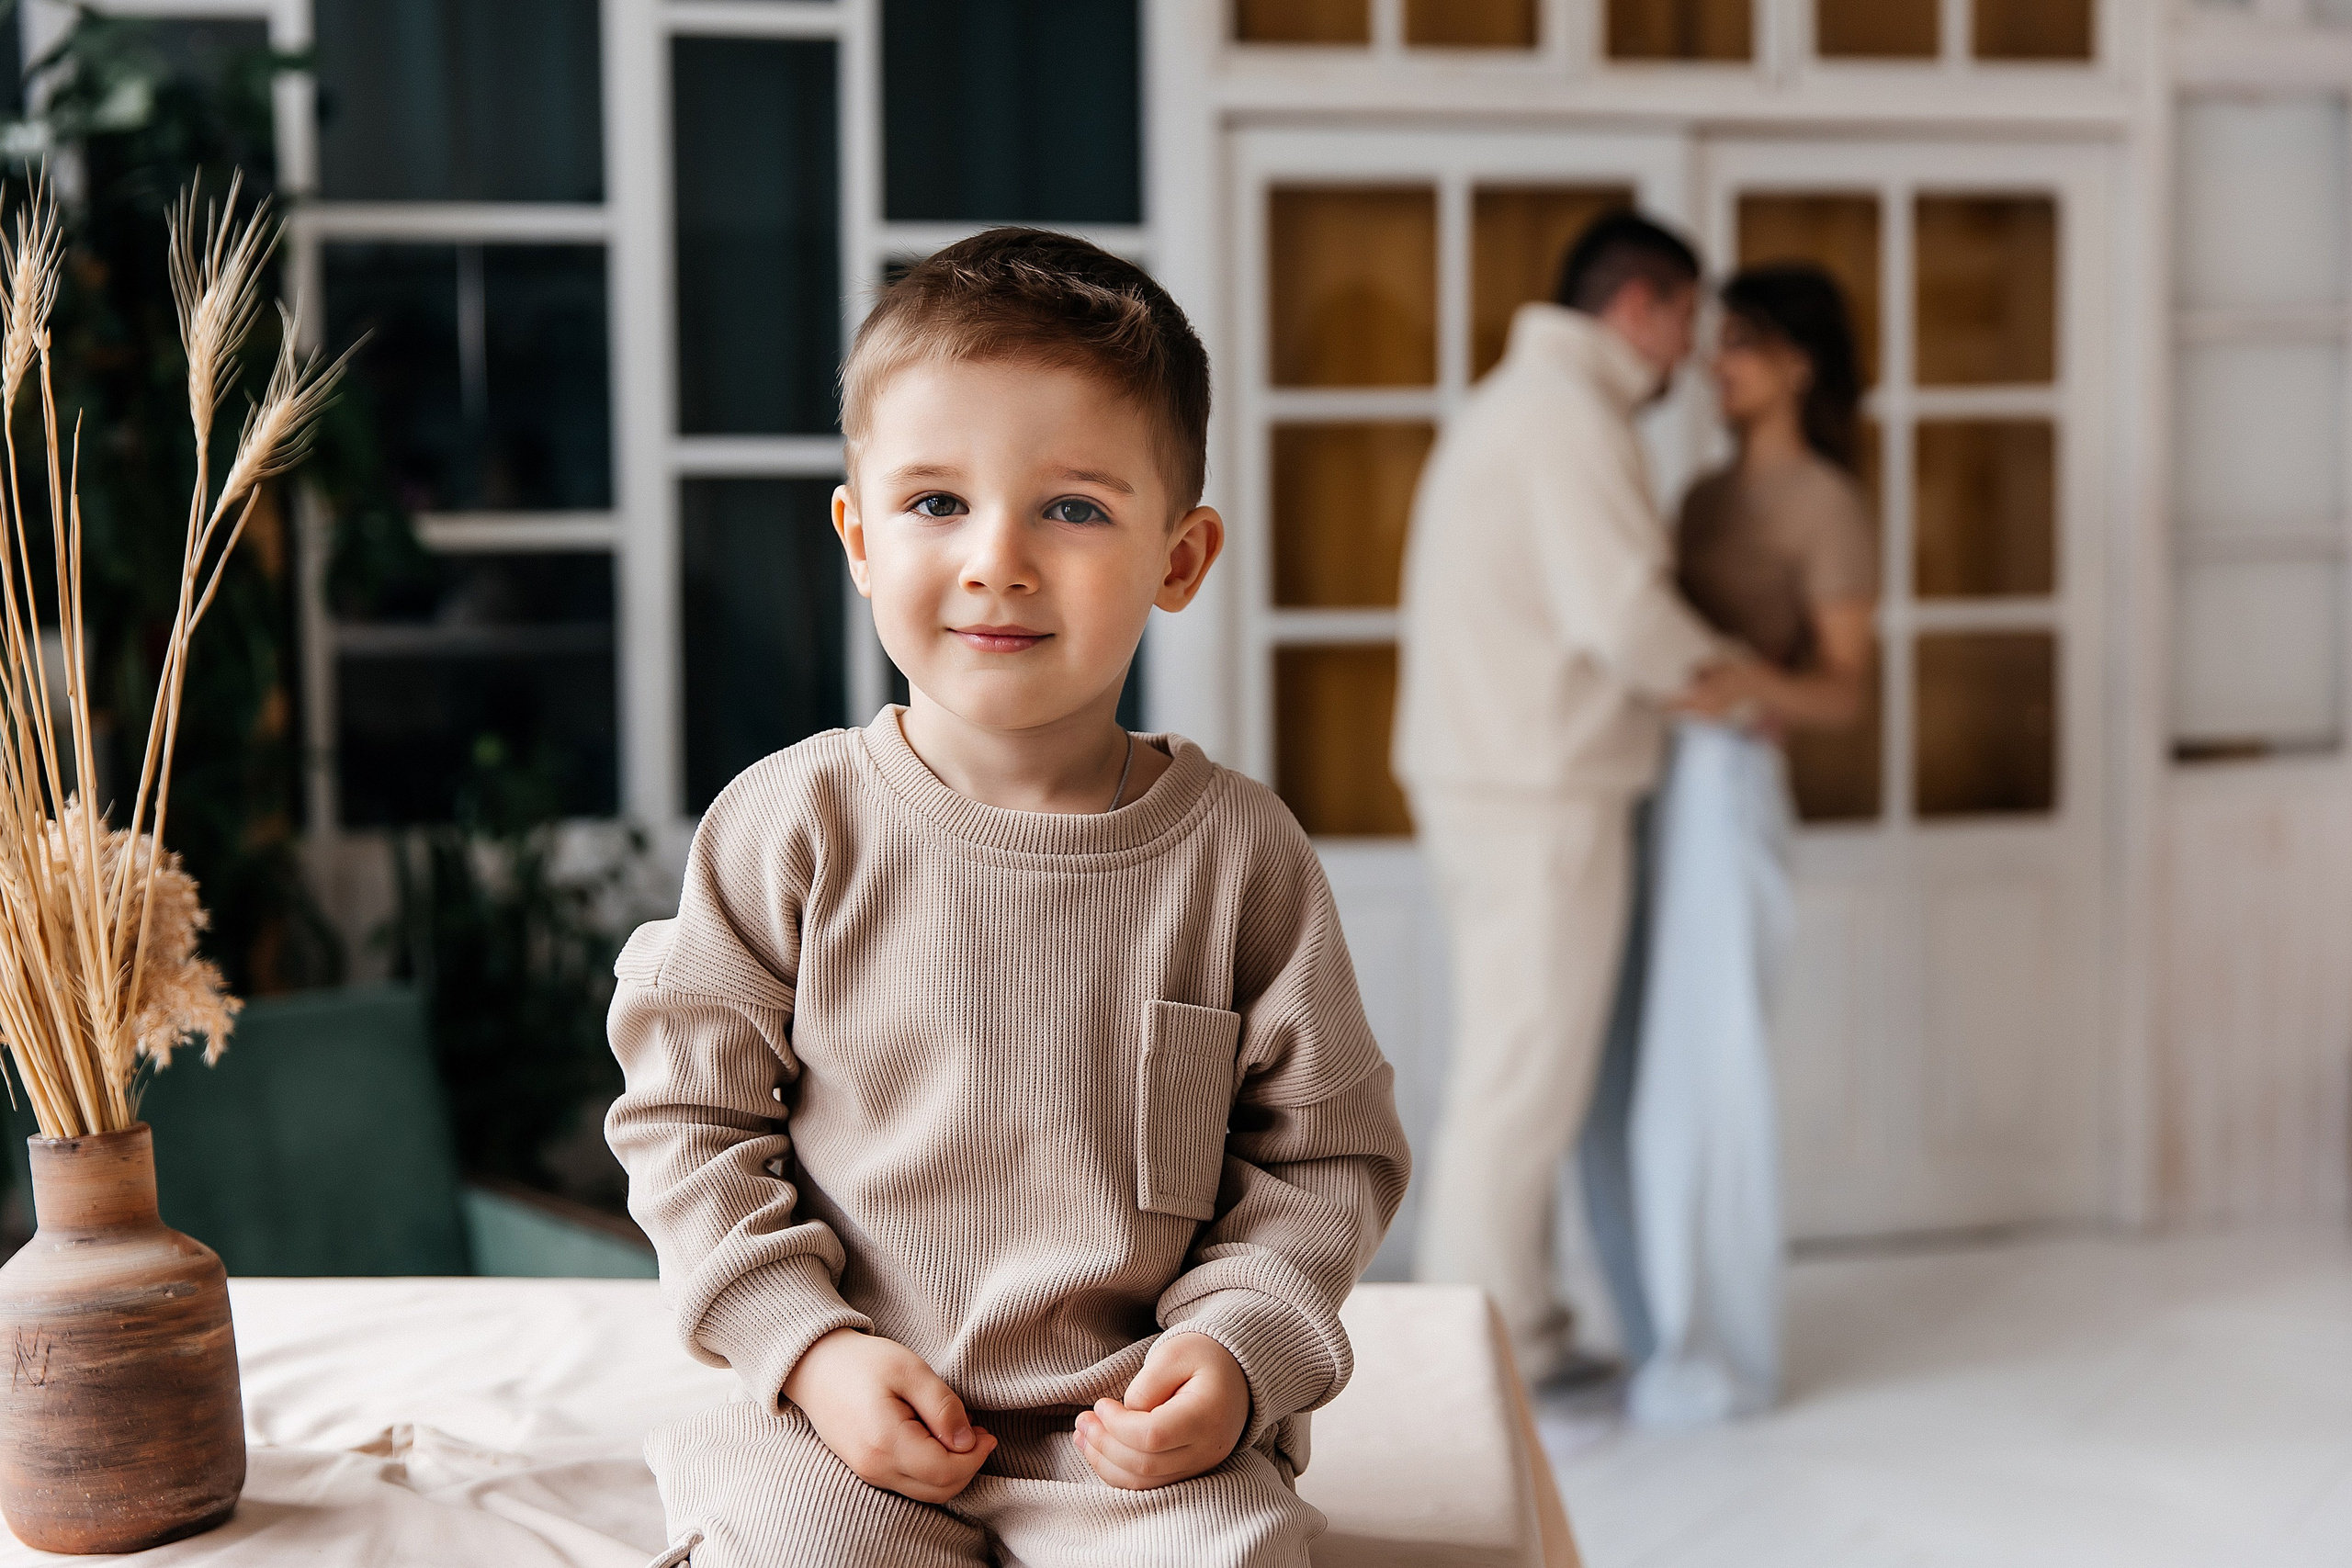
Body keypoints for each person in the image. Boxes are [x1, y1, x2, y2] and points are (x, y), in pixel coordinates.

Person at [605, 230, 1412, 1567]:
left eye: (1074, 509)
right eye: (936, 502)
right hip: (843, 1416)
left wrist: (1235, 1353)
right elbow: (688, 1121)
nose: (998, 560)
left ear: (1180, 557)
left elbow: (1323, 1159)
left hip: (1130, 1438)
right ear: (859, 538)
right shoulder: (788, 826)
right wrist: (805, 1348)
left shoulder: (1241, 856)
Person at [1393, 210, 1753, 1385]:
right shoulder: (1564, 415)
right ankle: (1481, 1359)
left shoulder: (1528, 404)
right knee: (1523, 1082)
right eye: (1687, 318)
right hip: (1533, 785)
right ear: (1639, 305)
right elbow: (1624, 613)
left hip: (1506, 775)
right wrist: (1738, 689)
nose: (1692, 350)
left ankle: (1514, 1332)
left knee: (1515, 1071)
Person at [1625, 262, 1876, 1425]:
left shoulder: (1828, 504)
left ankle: (1725, 1348)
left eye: (1741, 343)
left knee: (1718, 1069)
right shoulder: (1697, 499)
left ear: (1799, 366)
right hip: (1660, 785)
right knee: (1655, 1079)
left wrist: (1746, 686)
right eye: (1715, 340)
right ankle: (1666, 1327)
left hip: (1731, 794)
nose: (1714, 363)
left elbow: (1843, 692)